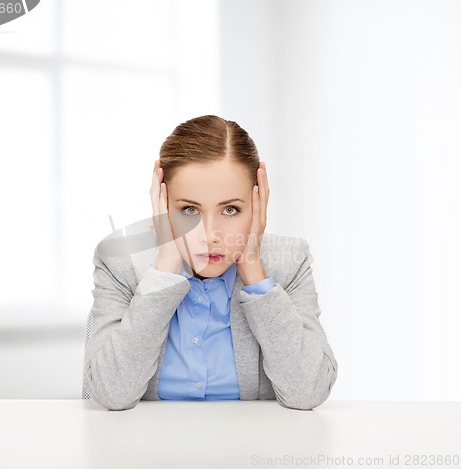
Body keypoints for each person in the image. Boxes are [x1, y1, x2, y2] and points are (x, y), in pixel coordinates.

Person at [82, 115, 338, 411]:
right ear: (163, 204)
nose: (210, 235)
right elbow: (111, 393)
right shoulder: (121, 262)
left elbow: (308, 392)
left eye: (230, 209)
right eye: (189, 210)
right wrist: (165, 266)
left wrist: (254, 271)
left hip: (255, 449)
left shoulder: (289, 262)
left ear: (258, 203)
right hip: (147, 450)